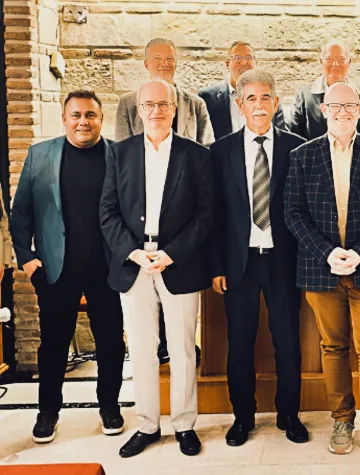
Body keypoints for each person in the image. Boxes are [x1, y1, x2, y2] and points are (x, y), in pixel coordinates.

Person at [284, 82, 360, 463]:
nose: (342, 112)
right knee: (333, 347)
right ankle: (341, 420)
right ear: (323, 110)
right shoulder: (303, 156)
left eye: (350, 106)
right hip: (322, 269)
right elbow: (292, 213)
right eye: (335, 106)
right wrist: (328, 253)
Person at [100, 79, 214, 457]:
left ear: (174, 109)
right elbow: (107, 212)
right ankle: (147, 425)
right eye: (148, 105)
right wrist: (133, 253)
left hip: (178, 263)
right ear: (138, 110)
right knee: (142, 350)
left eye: (163, 104)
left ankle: (184, 425)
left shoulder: (196, 155)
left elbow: (206, 215)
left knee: (182, 350)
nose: (156, 111)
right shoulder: (119, 153)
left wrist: (172, 253)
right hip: (134, 263)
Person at [11, 90, 125, 443]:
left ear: (101, 119)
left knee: (111, 342)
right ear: (64, 119)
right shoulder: (39, 155)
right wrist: (27, 258)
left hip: (107, 269)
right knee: (53, 345)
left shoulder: (119, 156)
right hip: (56, 269)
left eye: (90, 115)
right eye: (76, 115)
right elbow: (21, 212)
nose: (83, 122)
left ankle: (110, 406)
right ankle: (47, 412)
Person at [210, 69, 308, 446]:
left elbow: (305, 208)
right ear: (240, 104)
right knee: (240, 344)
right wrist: (218, 266)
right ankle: (243, 417)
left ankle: (289, 414)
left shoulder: (296, 148)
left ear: (276, 102)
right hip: (240, 264)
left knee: (288, 344)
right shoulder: (221, 151)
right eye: (251, 98)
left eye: (266, 97)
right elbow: (215, 215)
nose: (259, 105)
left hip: (284, 262)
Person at [115, 37, 214, 146]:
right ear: (146, 64)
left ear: (176, 64)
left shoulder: (196, 104)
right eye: (157, 58)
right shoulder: (127, 103)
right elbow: (122, 150)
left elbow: (207, 148)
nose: (164, 63)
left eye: (169, 59)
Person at [286, 40, 360, 140]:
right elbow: (292, 135)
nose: (335, 64)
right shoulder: (305, 96)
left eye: (341, 59)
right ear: (321, 62)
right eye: (329, 59)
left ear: (349, 62)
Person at [199, 41, 285, 141]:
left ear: (256, 63)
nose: (244, 63)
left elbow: (281, 139)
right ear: (227, 64)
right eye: (237, 58)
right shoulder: (207, 98)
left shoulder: (270, 98)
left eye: (248, 57)